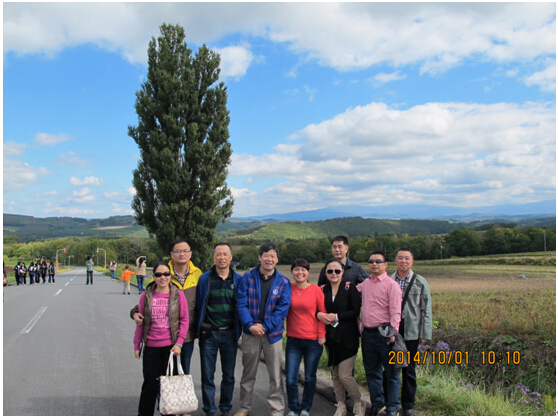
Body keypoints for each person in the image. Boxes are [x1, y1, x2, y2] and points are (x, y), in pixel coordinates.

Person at [235, 243, 291, 416]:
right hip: (250, 333)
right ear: (260, 257)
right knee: (248, 373)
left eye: (273, 256)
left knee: (275, 376)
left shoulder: (283, 282)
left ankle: (276, 410)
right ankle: (244, 407)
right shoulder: (247, 277)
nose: (269, 259)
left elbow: (282, 310)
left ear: (277, 260)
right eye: (266, 255)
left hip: (273, 335)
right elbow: (241, 303)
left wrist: (265, 326)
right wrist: (250, 325)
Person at [132, 239, 202, 374]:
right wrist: (135, 312)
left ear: (190, 254)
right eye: (178, 251)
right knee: (164, 372)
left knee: (183, 371)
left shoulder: (198, 274)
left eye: (185, 251)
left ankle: (178, 389)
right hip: (169, 337)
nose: (182, 254)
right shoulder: (163, 272)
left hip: (188, 332)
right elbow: (147, 299)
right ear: (171, 254)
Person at [133, 261, 189, 416]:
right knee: (149, 386)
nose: (162, 277)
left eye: (166, 274)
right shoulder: (146, 295)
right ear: (154, 276)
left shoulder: (178, 295)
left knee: (169, 388)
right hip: (151, 347)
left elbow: (184, 320)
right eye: (158, 274)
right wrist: (137, 345)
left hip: (170, 348)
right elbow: (140, 321)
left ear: (170, 275)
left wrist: (179, 343)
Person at [196, 243, 242, 416]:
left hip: (230, 333)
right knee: (207, 374)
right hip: (209, 334)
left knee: (228, 375)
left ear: (231, 257)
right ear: (213, 257)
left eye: (225, 254)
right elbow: (198, 305)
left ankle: (225, 407)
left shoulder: (238, 280)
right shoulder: (204, 279)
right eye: (218, 254)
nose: (222, 257)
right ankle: (209, 409)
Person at [385, 248, 432, 416]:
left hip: (411, 330)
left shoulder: (420, 281)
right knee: (390, 367)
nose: (403, 261)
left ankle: (408, 405)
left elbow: (426, 309)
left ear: (412, 261)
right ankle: (390, 403)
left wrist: (425, 334)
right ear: (395, 260)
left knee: (409, 369)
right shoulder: (388, 280)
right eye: (400, 258)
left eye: (407, 258)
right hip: (392, 329)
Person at [317, 259, 366, 416]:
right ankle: (340, 404)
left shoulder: (349, 288)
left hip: (348, 337)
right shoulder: (322, 290)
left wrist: (336, 316)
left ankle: (358, 401)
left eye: (337, 271)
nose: (334, 274)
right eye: (330, 271)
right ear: (325, 273)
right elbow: (316, 309)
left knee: (345, 375)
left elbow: (354, 311)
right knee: (336, 374)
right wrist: (319, 315)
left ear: (343, 272)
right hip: (331, 337)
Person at [357, 251, 402, 416]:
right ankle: (378, 403)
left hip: (384, 334)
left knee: (391, 373)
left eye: (378, 261)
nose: (374, 264)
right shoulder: (366, 284)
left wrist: (392, 334)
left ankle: (392, 407)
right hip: (367, 334)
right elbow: (349, 291)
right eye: (371, 261)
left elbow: (396, 312)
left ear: (385, 264)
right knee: (372, 371)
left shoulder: (392, 285)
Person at [285, 259, 326, 416]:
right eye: (296, 269)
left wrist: (321, 335)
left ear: (308, 272)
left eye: (303, 270)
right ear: (292, 271)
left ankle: (305, 408)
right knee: (291, 378)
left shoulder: (316, 291)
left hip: (313, 341)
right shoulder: (287, 289)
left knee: (309, 377)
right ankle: (293, 408)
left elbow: (322, 314)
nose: (300, 273)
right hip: (293, 340)